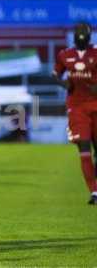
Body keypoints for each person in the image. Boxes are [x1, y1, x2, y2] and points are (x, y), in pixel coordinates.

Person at [53, 21, 97, 205]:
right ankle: (94, 192)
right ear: (73, 36)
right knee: (83, 146)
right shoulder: (64, 55)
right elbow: (55, 74)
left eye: (84, 32)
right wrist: (64, 84)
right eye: (78, 32)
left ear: (89, 35)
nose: (81, 35)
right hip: (76, 106)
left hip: (95, 105)